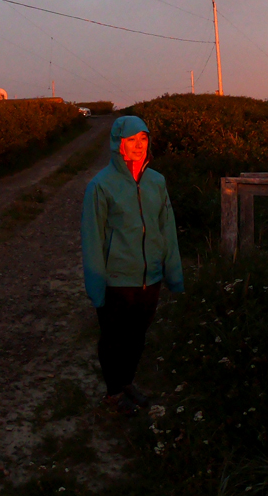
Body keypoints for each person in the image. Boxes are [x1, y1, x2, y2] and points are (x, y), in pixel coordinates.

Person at [81, 115, 184, 416]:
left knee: (137, 335)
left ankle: (127, 383)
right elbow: (92, 240)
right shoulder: (100, 187)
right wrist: (96, 287)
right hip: (117, 280)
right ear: (118, 144)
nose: (138, 146)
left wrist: (173, 274)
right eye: (131, 140)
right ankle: (113, 393)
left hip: (149, 277)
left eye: (143, 139)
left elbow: (167, 229)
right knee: (114, 339)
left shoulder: (157, 182)